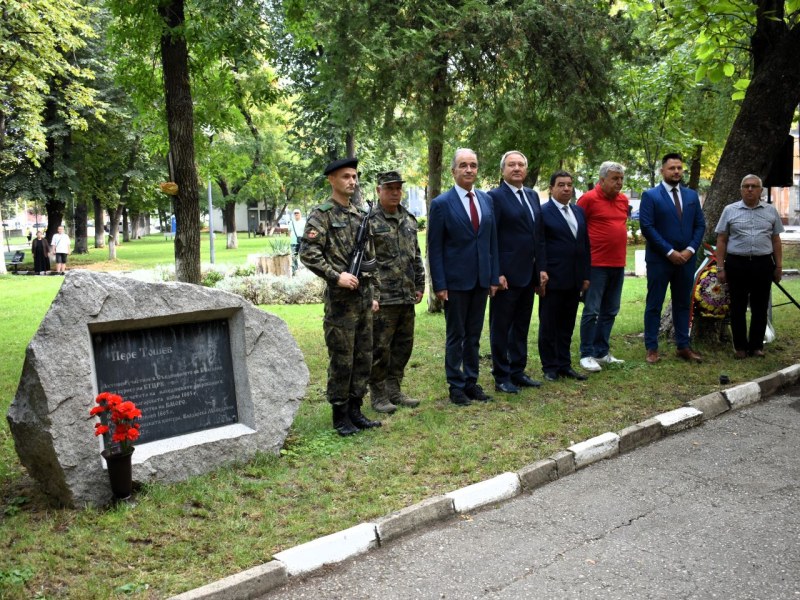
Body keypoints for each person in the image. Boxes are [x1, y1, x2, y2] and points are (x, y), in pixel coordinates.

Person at [299, 157, 382, 436]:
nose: (352, 181)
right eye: (346, 176)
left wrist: (374, 293)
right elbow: (308, 253)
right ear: (332, 180)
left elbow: (372, 258)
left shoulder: (360, 216)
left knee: (363, 356)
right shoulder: (321, 215)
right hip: (340, 304)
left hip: (363, 299)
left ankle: (356, 409)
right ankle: (340, 415)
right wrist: (337, 276)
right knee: (343, 358)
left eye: (355, 176)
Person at [428, 148, 500, 406]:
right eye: (463, 165)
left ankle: (471, 382)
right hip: (455, 283)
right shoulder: (441, 204)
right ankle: (455, 386)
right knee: (456, 335)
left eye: (473, 165)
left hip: (481, 280)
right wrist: (440, 284)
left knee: (474, 335)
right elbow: (434, 248)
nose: (469, 170)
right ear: (453, 171)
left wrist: (493, 277)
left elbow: (492, 242)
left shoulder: (486, 200)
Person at [487, 151, 547, 394]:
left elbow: (538, 236)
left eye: (521, 164)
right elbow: (492, 238)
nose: (516, 168)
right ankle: (501, 376)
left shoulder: (532, 195)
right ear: (503, 170)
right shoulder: (495, 197)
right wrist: (497, 272)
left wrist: (541, 268)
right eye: (511, 165)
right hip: (507, 277)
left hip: (529, 273)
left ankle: (517, 370)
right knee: (502, 326)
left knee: (521, 325)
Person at [640, 153, 706, 364]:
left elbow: (700, 225)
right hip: (660, 260)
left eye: (679, 168)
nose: (676, 171)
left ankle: (683, 346)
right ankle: (651, 348)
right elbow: (647, 227)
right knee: (654, 304)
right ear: (663, 170)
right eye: (672, 168)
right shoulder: (650, 195)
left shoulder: (691, 196)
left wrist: (690, 250)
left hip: (686, 260)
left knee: (683, 303)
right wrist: (669, 252)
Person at [368, 170, 425, 413]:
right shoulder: (369, 221)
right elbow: (366, 263)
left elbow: (416, 256)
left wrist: (420, 285)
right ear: (378, 190)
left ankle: (394, 390)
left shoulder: (409, 220)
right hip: (384, 298)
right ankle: (378, 395)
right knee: (380, 348)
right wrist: (372, 294)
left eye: (398, 188)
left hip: (406, 296)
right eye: (389, 188)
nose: (395, 193)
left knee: (403, 346)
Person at [715, 174, 783, 358]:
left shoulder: (771, 211)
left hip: (763, 264)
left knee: (760, 307)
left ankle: (756, 346)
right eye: (746, 186)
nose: (750, 189)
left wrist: (778, 266)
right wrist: (720, 267)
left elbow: (776, 240)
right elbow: (721, 240)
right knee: (737, 307)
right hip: (737, 263)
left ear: (761, 190)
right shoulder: (729, 210)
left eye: (754, 186)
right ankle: (740, 347)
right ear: (741, 190)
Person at [538, 171, 591, 382]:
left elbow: (584, 245)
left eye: (569, 185)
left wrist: (586, 275)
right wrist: (541, 274)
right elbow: (539, 245)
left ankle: (564, 364)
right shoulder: (543, 212)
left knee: (567, 325)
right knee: (549, 325)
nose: (566, 188)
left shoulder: (578, 211)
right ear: (551, 188)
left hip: (574, 279)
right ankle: (549, 366)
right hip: (552, 279)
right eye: (561, 184)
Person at [577, 162, 629, 372]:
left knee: (611, 310)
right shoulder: (588, 199)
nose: (619, 183)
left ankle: (601, 351)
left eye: (621, 179)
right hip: (595, 265)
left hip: (618, 263)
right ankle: (586, 353)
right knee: (592, 310)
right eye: (615, 178)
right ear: (602, 179)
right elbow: (578, 230)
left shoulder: (623, 200)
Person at [288, 209, 306, 274]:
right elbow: (289, 232)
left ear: (300, 214)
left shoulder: (303, 222)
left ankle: (305, 269)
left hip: (302, 242)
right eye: (295, 213)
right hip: (293, 243)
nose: (296, 214)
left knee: (303, 256)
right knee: (294, 257)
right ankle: (294, 270)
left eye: (297, 213)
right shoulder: (291, 222)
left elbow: (306, 232)